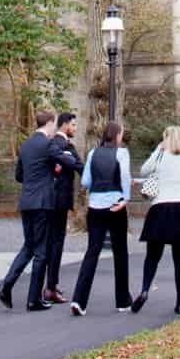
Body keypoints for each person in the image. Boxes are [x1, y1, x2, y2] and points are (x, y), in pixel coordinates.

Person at [131, 125, 180, 316]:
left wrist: (157, 150)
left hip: (162, 207)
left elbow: (146, 170)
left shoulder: (161, 156)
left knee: (152, 256)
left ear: (166, 140)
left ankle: (145, 290)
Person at [0, 108, 60, 311]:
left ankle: (7, 284)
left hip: (26, 201)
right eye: (55, 123)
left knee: (29, 247)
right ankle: (33, 299)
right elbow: (59, 163)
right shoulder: (48, 144)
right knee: (41, 251)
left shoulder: (25, 145)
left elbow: (19, 176)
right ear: (49, 123)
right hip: (42, 203)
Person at [69, 119, 132, 316]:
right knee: (120, 251)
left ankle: (79, 300)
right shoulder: (122, 153)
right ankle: (122, 300)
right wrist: (126, 198)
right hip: (115, 204)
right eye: (121, 133)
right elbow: (125, 177)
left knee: (92, 252)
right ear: (117, 135)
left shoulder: (93, 153)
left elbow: (86, 181)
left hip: (95, 205)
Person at [46, 111, 84, 304]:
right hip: (58, 200)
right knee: (56, 243)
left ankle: (50, 284)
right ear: (65, 125)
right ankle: (50, 287)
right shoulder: (59, 145)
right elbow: (81, 168)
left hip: (49, 200)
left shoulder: (58, 144)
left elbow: (81, 168)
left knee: (51, 243)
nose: (75, 129)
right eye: (74, 125)